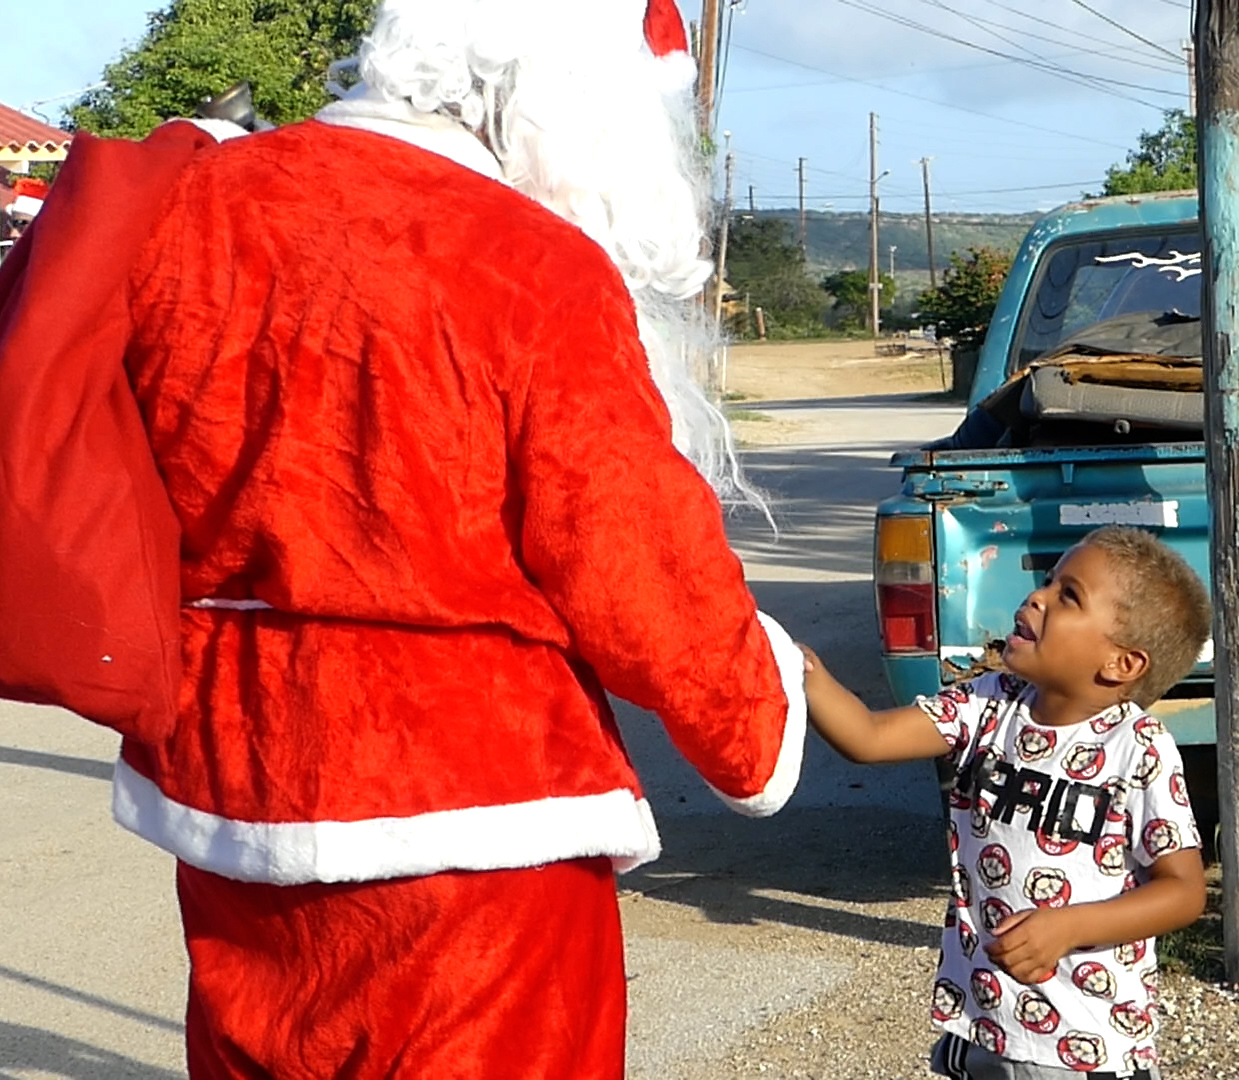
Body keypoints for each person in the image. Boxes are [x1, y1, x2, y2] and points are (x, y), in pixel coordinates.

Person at [0, 0, 807, 1076]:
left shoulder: (187, 209)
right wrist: (758, 721)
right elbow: (630, 556)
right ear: (572, 88)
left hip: (234, 790)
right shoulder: (537, 263)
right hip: (478, 823)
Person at [801, 526, 1211, 1079]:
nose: (1036, 598)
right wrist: (803, 672)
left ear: (1121, 664)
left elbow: (1183, 892)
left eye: (1069, 596)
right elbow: (869, 737)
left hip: (1083, 1048)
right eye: (1048, 582)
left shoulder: (1137, 748)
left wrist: (1068, 927)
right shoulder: (987, 704)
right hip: (986, 1031)